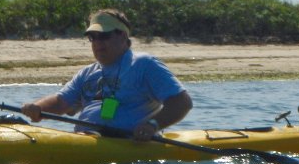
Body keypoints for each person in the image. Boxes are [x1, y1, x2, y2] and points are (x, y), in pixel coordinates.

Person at [21, 9, 192, 141]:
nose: (97, 43)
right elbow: (60, 103)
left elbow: (182, 102)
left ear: (123, 36)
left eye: (103, 36)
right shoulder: (87, 73)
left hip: (130, 146)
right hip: (88, 141)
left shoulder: (144, 64)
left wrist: (152, 125)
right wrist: (37, 108)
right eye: (92, 37)